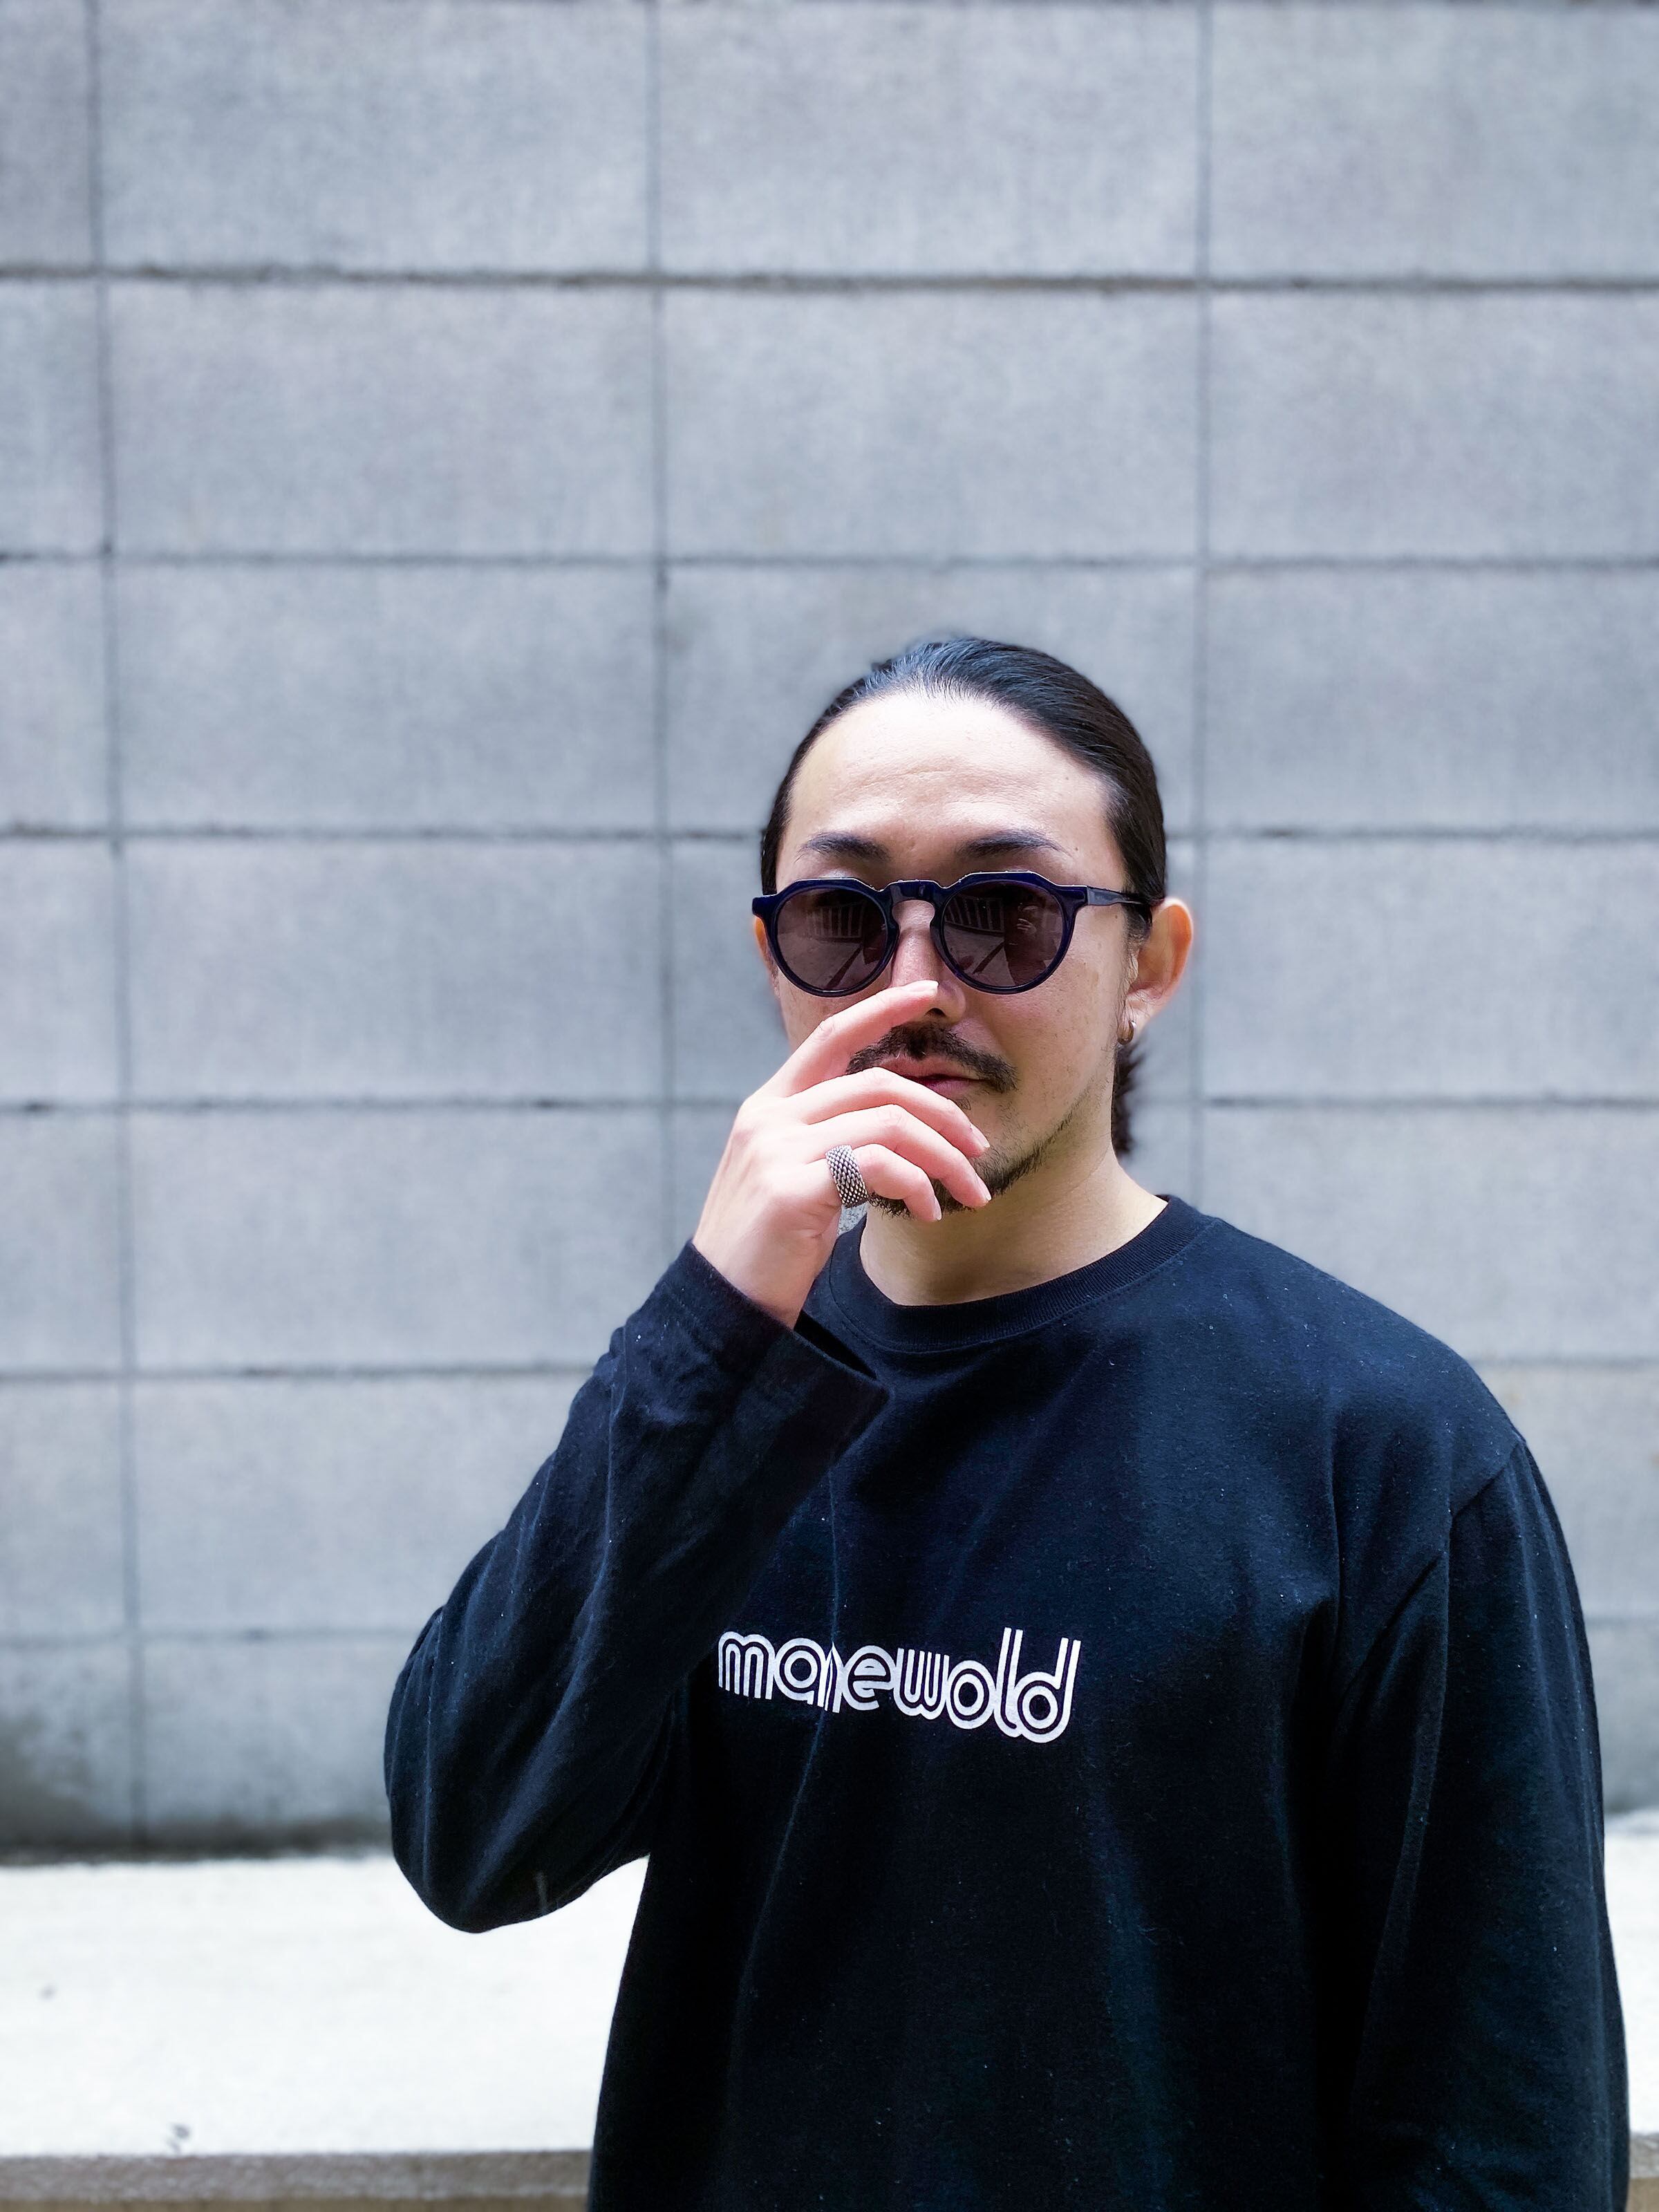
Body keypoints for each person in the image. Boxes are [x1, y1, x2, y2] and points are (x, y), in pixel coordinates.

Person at [385, 636, 1628, 2209]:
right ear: (774, 956)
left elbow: (1503, 2129)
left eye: (1005, 912)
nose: (916, 987)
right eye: (844, 918)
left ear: (1148, 965)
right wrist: (712, 1321)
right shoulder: (715, 1404)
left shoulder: (1380, 1447)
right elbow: (473, 1832)